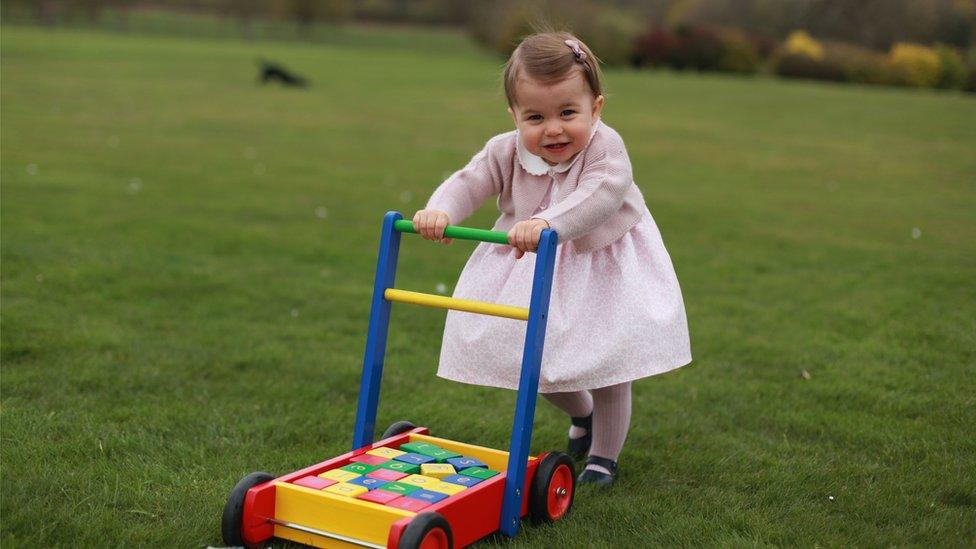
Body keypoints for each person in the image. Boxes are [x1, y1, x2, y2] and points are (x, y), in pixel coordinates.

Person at [412, 32, 692, 487]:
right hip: (535, 262)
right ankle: (582, 415)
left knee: (606, 362)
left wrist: (546, 223)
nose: (554, 129)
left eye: (567, 113)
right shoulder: (506, 149)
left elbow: (600, 195)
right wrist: (441, 209)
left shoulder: (605, 148)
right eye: (535, 117)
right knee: (536, 361)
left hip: (601, 263)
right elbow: (470, 180)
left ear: (595, 108)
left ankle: (604, 457)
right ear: (515, 115)